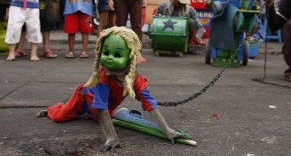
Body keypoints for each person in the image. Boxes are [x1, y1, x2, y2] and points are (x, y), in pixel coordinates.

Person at [37, 27, 185, 151]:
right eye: (106, 53)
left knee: (95, 118)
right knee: (60, 117)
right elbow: (101, 108)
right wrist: (111, 138)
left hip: (101, 110)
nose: (109, 58)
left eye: (117, 54)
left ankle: (100, 114)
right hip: (84, 99)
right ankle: (52, 109)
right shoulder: (104, 76)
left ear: (130, 57)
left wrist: (168, 131)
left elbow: (150, 105)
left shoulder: (136, 79)